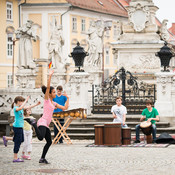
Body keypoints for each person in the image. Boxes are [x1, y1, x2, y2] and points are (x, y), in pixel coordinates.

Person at [24, 70, 69, 164]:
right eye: (53, 92)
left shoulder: (54, 103)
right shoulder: (47, 100)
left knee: (49, 142)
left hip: (47, 124)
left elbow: (65, 107)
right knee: (40, 138)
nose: (55, 93)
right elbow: (48, 88)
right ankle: (34, 124)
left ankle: (42, 158)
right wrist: (50, 76)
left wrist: (67, 98)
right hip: (42, 121)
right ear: (49, 94)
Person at [2, 96, 37, 162]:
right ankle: (15, 158)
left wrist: (36, 104)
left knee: (21, 139)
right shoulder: (16, 108)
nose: (23, 103)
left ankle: (6, 138)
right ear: (18, 102)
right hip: (17, 127)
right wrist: (26, 101)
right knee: (18, 142)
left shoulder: (20, 108)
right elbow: (21, 107)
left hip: (20, 127)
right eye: (22, 101)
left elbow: (28, 107)